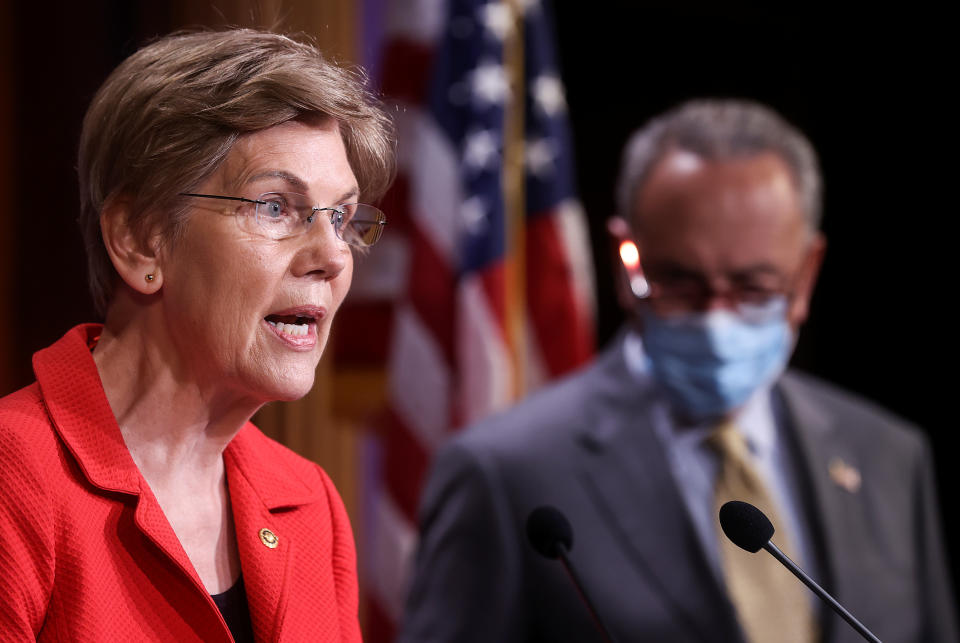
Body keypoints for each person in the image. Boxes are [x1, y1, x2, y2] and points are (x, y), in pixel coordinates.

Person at [398, 100, 957, 642]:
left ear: (806, 275)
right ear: (627, 263)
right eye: (680, 283)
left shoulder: (888, 455)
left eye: (754, 287)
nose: (716, 320)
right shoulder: (503, 473)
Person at [0, 29, 393, 641]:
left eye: (341, 217)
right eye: (274, 207)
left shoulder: (309, 503)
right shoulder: (14, 479)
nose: (333, 256)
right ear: (139, 239)